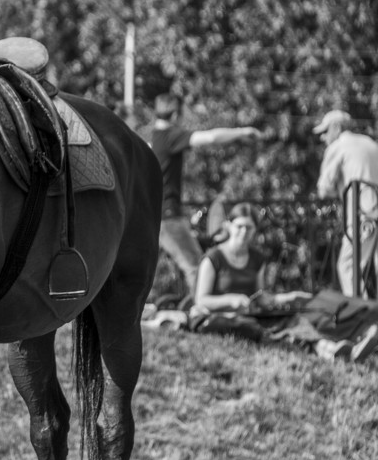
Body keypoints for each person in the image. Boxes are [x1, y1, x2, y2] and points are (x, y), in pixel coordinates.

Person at [189, 203, 378, 362]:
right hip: (225, 318)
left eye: (249, 228)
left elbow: (260, 296)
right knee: (269, 331)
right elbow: (201, 300)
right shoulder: (213, 258)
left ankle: (331, 349)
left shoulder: (257, 258)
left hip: (252, 314)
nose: (244, 232)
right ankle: (331, 351)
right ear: (229, 226)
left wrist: (287, 297)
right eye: (240, 226)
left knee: (295, 320)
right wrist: (231, 299)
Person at [151, 93, 263, 296]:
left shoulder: (151, 137)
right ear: (175, 114)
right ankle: (200, 316)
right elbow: (209, 137)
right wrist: (241, 132)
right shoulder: (169, 136)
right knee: (196, 265)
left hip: (156, 214)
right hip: (167, 216)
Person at [313, 110, 378, 298]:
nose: (323, 137)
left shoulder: (338, 147)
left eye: (325, 131)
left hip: (363, 215)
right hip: (373, 211)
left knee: (347, 266)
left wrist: (338, 190)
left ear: (336, 127)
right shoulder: (371, 143)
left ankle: (364, 321)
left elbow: (323, 189)